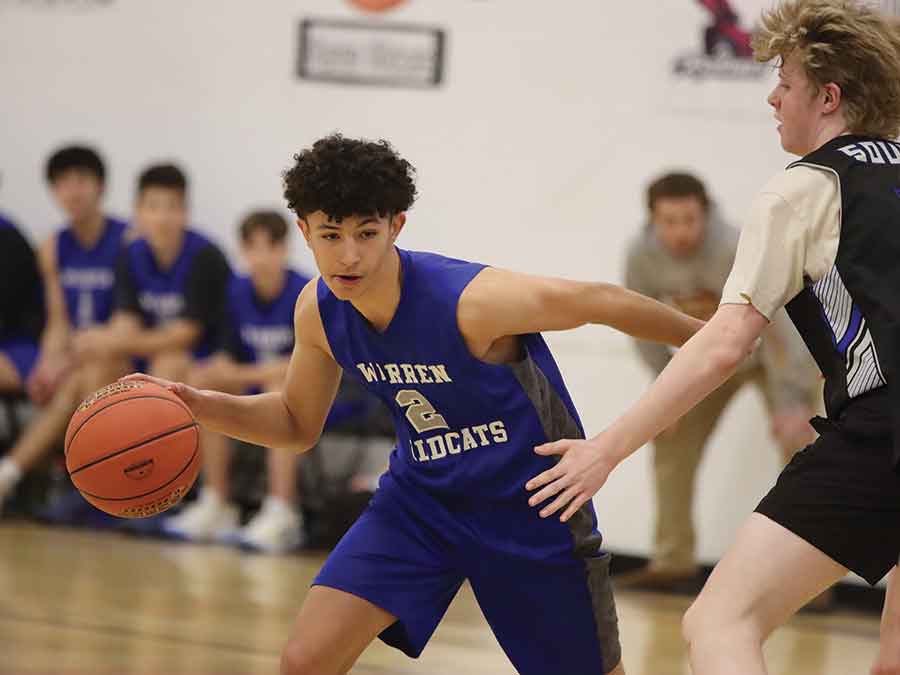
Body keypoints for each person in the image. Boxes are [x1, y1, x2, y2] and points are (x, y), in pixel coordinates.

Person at [129, 134, 704, 675]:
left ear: (396, 225)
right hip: (419, 504)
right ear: (304, 231)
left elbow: (597, 301)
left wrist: (704, 337)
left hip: (529, 508)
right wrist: (200, 404)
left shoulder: (470, 301)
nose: (349, 255)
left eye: (366, 233)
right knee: (304, 661)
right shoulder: (318, 311)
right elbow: (296, 423)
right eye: (330, 235)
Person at [523, 2, 900, 673]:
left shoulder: (805, 190)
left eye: (785, 81)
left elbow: (728, 343)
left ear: (829, 96)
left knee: (720, 621)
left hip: (884, 428)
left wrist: (606, 448)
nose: (773, 95)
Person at [619, 171, 819, 589]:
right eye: (668, 222)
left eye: (689, 220)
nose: (680, 232)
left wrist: (792, 399)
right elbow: (638, 321)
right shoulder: (641, 256)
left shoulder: (734, 246)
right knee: (668, 435)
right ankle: (672, 563)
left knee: (803, 447)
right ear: (652, 220)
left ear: (705, 215)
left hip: (774, 356)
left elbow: (787, 324)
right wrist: (663, 390)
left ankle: (808, 581)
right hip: (717, 355)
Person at [162, 210, 310, 553]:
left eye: (270, 247)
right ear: (243, 252)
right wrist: (223, 374)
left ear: (285, 250)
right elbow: (227, 355)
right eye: (253, 248)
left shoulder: (305, 292)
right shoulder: (236, 291)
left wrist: (246, 374)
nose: (262, 257)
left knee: (280, 392)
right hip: (260, 382)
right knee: (205, 385)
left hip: (310, 395)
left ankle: (282, 509)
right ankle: (217, 501)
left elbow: (299, 367)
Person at [0, 146, 128, 510]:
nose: (73, 191)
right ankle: (74, 486)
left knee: (87, 378)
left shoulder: (127, 241)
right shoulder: (52, 247)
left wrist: (63, 361)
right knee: (74, 381)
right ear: (54, 191)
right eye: (63, 183)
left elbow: (124, 327)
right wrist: (46, 363)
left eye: (81, 181)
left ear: (100, 186)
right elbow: (57, 322)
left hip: (122, 357)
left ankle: (19, 475)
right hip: (77, 359)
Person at [78, 164, 232, 392]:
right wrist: (102, 340)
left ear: (185, 212)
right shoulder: (130, 252)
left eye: (172, 207)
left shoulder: (206, 256)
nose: (162, 218)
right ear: (137, 212)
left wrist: (117, 342)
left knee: (167, 364)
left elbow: (185, 335)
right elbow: (126, 318)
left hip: (202, 356)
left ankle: (161, 429)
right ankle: (103, 428)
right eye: (153, 207)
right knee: (98, 366)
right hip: (149, 350)